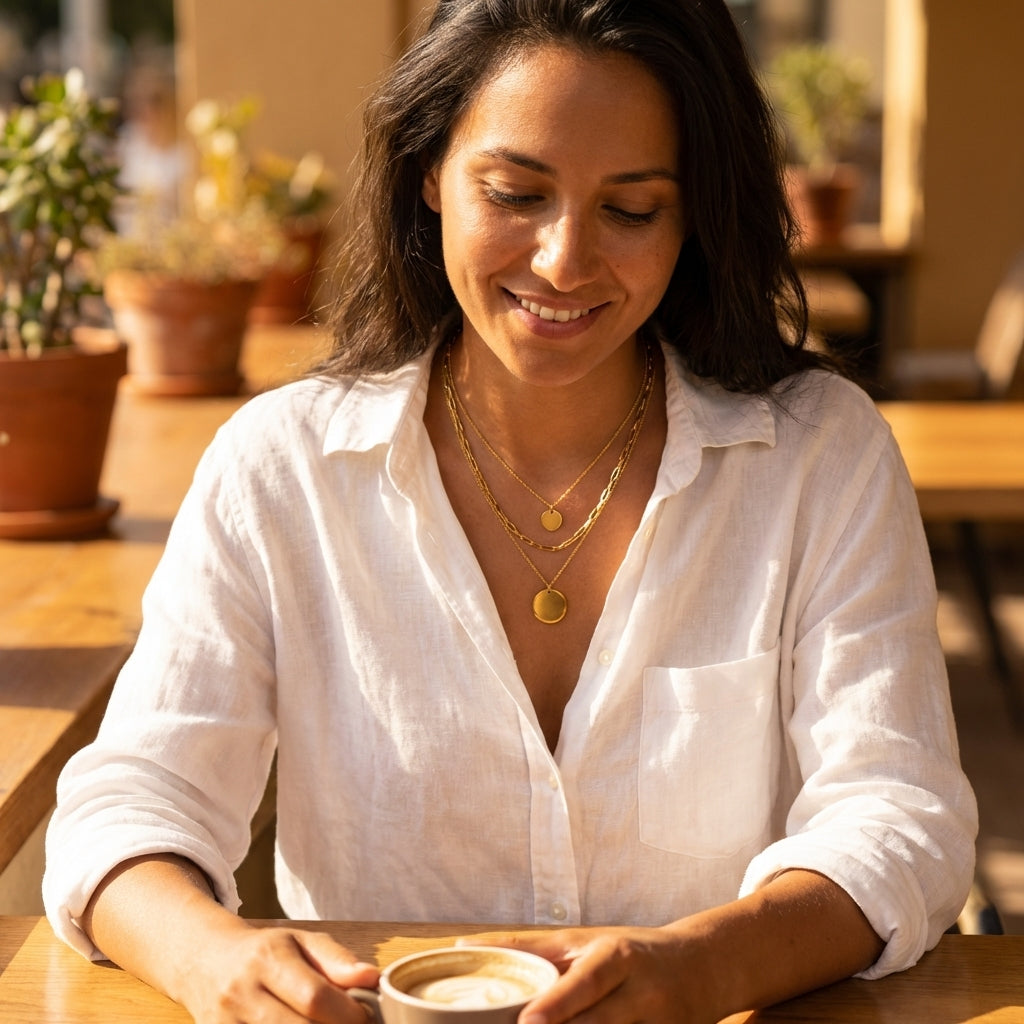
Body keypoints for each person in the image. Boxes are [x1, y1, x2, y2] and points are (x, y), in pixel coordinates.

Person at [44, 2, 977, 1022]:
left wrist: (701, 966)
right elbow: (123, 808)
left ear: (696, 214)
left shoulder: (817, 459)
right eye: (515, 192)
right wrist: (214, 957)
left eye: (631, 210)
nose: (563, 260)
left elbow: (900, 815)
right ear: (429, 176)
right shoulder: (282, 472)